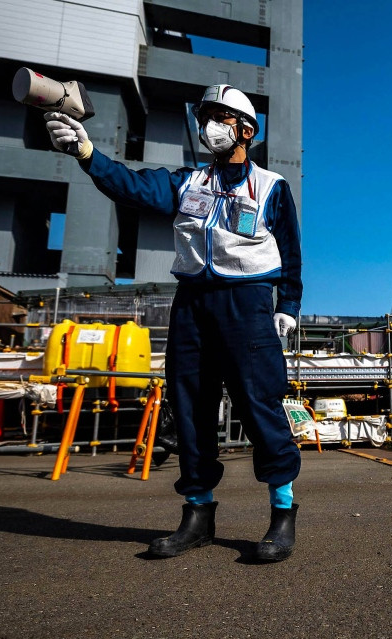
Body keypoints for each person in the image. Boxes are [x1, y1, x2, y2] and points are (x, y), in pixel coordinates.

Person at [43, 84, 302, 562]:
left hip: (246, 304)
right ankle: (197, 513)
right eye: (206, 117)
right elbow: (131, 185)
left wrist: (287, 304)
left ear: (246, 129)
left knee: (260, 403)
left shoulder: (271, 187)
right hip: (193, 305)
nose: (210, 126)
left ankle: (282, 514)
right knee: (189, 408)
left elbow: (290, 251)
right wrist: (86, 152)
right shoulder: (188, 183)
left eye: (221, 117)